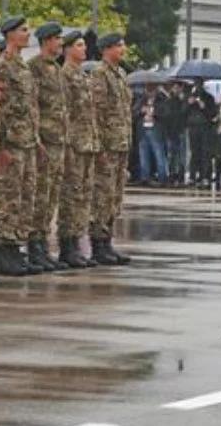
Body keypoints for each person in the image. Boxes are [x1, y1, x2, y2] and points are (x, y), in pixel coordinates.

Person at [0, 16, 42, 276]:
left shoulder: (22, 66)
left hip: (26, 141)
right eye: (23, 30)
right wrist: (1, 146)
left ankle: (15, 247)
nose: (27, 34)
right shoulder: (2, 67)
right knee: (7, 198)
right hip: (11, 142)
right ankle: (3, 249)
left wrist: (36, 138)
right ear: (10, 35)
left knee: (24, 196)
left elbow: (30, 108)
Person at [27, 21, 68, 270]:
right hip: (43, 141)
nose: (60, 43)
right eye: (57, 39)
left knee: (50, 196)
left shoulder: (56, 69)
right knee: (39, 196)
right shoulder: (35, 68)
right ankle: (34, 246)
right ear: (46, 41)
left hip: (58, 140)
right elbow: (33, 106)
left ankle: (42, 244)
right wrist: (37, 139)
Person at [90, 33, 132, 265]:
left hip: (121, 143)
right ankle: (98, 242)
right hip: (108, 144)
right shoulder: (99, 74)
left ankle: (107, 241)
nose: (122, 49)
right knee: (102, 196)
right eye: (118, 46)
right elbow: (98, 112)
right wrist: (101, 147)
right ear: (106, 49)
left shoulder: (120, 74)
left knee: (114, 196)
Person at [58, 31, 98, 268]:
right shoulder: (65, 76)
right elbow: (64, 112)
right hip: (73, 143)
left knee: (82, 196)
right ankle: (67, 245)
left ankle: (76, 242)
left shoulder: (82, 76)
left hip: (86, 143)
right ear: (68, 50)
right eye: (79, 45)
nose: (84, 49)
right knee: (70, 196)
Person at [134, 83, 170, 187]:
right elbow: (134, 111)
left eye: (151, 89)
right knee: (143, 154)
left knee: (159, 153)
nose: (149, 92)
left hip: (156, 130)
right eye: (148, 89)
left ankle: (162, 177)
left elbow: (166, 113)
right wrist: (141, 111)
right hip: (143, 130)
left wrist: (154, 112)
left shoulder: (162, 99)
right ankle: (144, 177)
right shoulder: (141, 100)